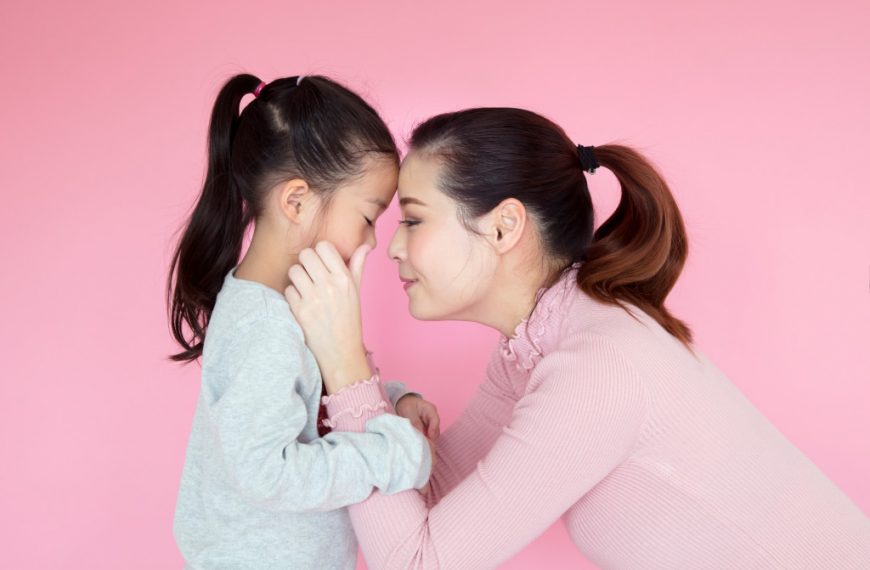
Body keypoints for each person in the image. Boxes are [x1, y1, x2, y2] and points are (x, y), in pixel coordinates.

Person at [286, 107, 870, 568]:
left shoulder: (598, 366)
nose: (392, 246)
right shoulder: (537, 347)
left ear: (503, 225)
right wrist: (377, 408)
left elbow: (417, 560)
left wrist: (347, 370)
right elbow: (436, 498)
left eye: (413, 219)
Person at [166, 73, 437, 570]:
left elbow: (315, 400)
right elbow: (268, 473)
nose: (374, 242)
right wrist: (388, 456)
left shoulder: (288, 304)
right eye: (368, 217)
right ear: (295, 201)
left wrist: (395, 401)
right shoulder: (264, 327)